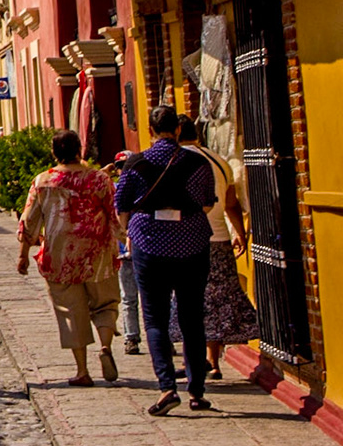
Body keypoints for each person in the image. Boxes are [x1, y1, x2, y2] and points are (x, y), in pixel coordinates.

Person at [115, 105, 217, 416]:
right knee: (192, 319)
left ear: (151, 130)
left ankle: (167, 387)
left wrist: (129, 230)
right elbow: (207, 204)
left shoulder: (135, 163)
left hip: (150, 245)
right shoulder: (198, 163)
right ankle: (197, 392)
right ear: (177, 130)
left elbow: (121, 207)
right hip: (192, 244)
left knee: (155, 319)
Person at [17, 130, 125, 386]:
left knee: (70, 311)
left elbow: (29, 221)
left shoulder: (43, 181)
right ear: (80, 149)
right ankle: (106, 347)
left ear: (54, 153)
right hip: (98, 254)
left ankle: (82, 371)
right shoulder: (99, 180)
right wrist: (124, 239)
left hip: (60, 256)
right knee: (106, 303)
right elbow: (115, 215)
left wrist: (23, 255)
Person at [165, 116, 258, 380]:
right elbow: (230, 202)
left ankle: (192, 362)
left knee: (187, 301)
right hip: (218, 238)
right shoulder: (219, 161)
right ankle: (212, 361)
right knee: (215, 301)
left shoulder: (176, 160)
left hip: (186, 240)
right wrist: (239, 233)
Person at [108, 153, 141, 356]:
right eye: (119, 167)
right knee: (129, 298)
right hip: (125, 251)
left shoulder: (128, 189)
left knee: (145, 298)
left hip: (140, 249)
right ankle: (132, 338)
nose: (123, 171)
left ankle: (161, 338)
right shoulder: (114, 189)